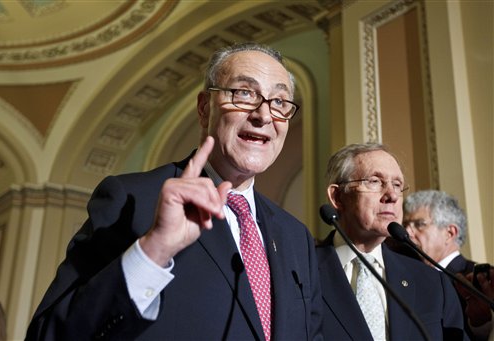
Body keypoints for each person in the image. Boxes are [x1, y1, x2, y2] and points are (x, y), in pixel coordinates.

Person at [25, 42, 323, 340]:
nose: (264, 115)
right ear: (205, 108)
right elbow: (51, 334)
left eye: (280, 102)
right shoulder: (132, 200)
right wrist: (154, 250)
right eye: (244, 93)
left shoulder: (295, 236)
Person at [316, 143, 466, 340]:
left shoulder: (433, 283)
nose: (392, 195)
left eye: (397, 184)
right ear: (337, 197)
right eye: (375, 181)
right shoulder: (303, 271)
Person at [403, 189, 492, 340]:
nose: (407, 232)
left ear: (449, 233)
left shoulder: (480, 281)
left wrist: (481, 323)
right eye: (405, 224)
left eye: (419, 224)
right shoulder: (405, 277)